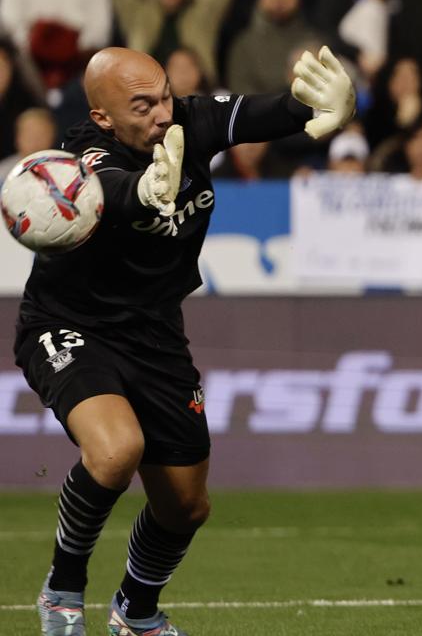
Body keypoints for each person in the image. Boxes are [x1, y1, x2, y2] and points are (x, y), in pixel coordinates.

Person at [19, 45, 354, 636]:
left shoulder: (186, 122)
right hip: (70, 325)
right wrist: (145, 191)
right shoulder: (80, 155)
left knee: (186, 506)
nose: (161, 114)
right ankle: (63, 588)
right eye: (141, 105)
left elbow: (258, 113)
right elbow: (111, 191)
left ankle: (135, 613)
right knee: (116, 451)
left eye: (165, 95)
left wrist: (317, 106)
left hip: (155, 334)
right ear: (103, 116)